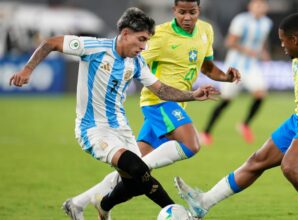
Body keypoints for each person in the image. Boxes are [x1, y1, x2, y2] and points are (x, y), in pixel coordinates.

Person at [9, 7, 220, 220]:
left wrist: (193, 95)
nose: (144, 47)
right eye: (141, 40)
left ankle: (102, 205)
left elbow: (162, 90)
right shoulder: (94, 47)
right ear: (125, 33)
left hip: (121, 128)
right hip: (93, 129)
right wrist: (27, 70)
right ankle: (180, 213)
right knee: (138, 169)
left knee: (137, 184)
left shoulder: (136, 62)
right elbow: (51, 42)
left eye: (146, 41)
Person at [175, 5, 298, 220]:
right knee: (257, 161)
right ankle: (203, 203)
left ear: (296, 40)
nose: (281, 46)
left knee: (291, 167)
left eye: (283, 41)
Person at [60, 0, 240, 219]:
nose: (187, 17)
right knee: (191, 144)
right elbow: (132, 58)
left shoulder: (206, 30)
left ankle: (84, 203)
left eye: (192, 12)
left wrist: (227, 77)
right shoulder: (160, 36)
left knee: (133, 174)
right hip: (158, 101)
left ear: (199, 11)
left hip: (176, 104)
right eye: (182, 12)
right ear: (174, 10)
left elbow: (207, 66)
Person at [200, 0, 272, 145]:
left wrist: (264, 52)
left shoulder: (266, 22)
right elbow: (229, 42)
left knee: (261, 94)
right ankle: (206, 132)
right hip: (235, 66)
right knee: (226, 100)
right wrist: (248, 50)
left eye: (262, 4)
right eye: (257, 4)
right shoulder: (241, 20)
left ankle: (244, 124)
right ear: (250, 6)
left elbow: (262, 41)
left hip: (252, 66)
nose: (260, 7)